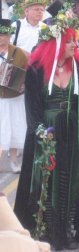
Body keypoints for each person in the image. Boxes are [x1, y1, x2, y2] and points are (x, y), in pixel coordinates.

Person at [14, 13, 79, 250]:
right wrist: (41, 131)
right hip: (47, 131)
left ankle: (67, 229)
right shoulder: (36, 70)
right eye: (71, 41)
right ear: (57, 43)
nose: (75, 45)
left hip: (73, 130)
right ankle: (50, 230)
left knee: (70, 180)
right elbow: (32, 107)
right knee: (47, 180)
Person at [0, 18, 27, 173]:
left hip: (15, 97)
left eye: (3, 34)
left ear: (9, 36)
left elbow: (26, 72)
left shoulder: (18, 53)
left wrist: (22, 84)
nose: (0, 37)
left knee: (15, 129)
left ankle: (14, 161)